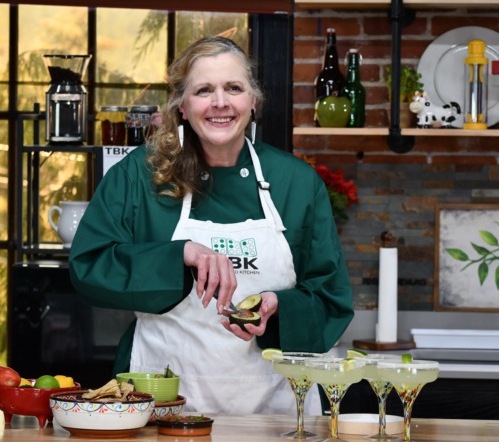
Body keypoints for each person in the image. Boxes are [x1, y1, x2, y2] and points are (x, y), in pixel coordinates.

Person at [69, 36, 353, 415]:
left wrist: (278, 309)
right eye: (204, 90)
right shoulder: (140, 174)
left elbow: (330, 298)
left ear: (253, 101)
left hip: (275, 414)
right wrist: (179, 254)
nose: (220, 103)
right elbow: (89, 265)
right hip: (160, 405)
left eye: (233, 88)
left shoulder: (296, 183)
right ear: (182, 106)